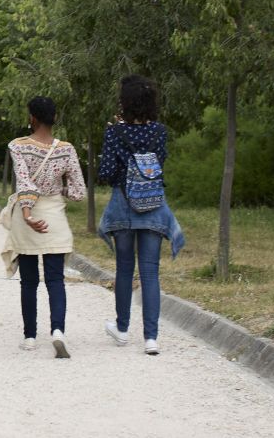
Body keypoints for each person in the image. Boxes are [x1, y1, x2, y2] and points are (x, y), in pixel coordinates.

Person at [98, 75, 184, 356]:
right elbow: (159, 164)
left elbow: (106, 172)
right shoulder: (159, 131)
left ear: (125, 102)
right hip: (153, 205)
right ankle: (151, 338)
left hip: (123, 205)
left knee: (124, 268)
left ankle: (122, 329)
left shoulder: (114, 132)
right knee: (150, 272)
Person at [1, 96, 85, 359]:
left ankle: (29, 337)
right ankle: (58, 331)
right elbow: (79, 192)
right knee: (55, 279)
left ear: (32, 118)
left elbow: (24, 182)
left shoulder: (18, 146)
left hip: (28, 217)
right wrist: (58, 189)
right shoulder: (67, 150)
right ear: (54, 118)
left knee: (28, 281)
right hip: (54, 216)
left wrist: (27, 214)